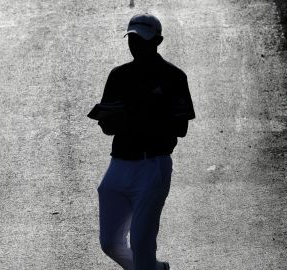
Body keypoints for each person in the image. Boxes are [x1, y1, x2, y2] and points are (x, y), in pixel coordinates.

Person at [90, 13, 196, 270]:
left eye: (142, 40)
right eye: (132, 39)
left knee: (141, 243)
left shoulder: (174, 77)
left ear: (157, 41)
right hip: (119, 164)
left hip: (153, 166)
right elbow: (107, 127)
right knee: (109, 243)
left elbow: (180, 128)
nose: (135, 45)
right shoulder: (118, 75)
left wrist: (140, 116)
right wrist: (111, 120)